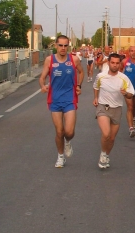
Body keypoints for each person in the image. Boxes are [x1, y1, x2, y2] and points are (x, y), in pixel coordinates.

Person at [39, 35, 84, 168]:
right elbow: (42, 78)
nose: (63, 48)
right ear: (56, 46)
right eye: (60, 45)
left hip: (70, 99)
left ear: (68, 46)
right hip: (54, 100)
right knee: (59, 131)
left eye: (66, 46)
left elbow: (81, 73)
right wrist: (42, 86)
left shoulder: (74, 59)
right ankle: (60, 157)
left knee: (69, 132)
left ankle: (68, 141)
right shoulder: (49, 60)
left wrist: (79, 86)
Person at [93, 53, 135, 169]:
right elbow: (96, 87)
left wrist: (126, 93)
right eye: (113, 63)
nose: (115, 65)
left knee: (111, 138)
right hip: (103, 107)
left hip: (117, 109)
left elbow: (131, 94)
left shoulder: (123, 78)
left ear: (119, 64)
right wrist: (96, 98)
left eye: (117, 63)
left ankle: (106, 155)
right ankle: (102, 153)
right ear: (108, 63)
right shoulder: (101, 76)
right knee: (106, 134)